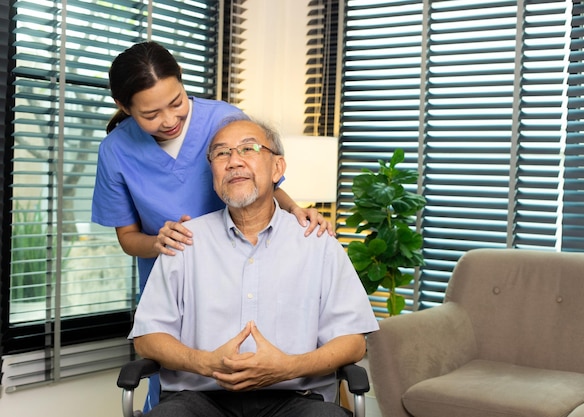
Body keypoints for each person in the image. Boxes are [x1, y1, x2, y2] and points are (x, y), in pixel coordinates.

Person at [91, 41, 334, 411]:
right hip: (180, 272)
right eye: (151, 114)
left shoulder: (222, 119)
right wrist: (158, 242)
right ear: (124, 108)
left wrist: (297, 211)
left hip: (245, 256)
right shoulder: (115, 151)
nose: (170, 120)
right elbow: (128, 239)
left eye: (177, 102)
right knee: (182, 388)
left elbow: (261, 179)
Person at [129, 118, 379, 417]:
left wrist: (289, 366)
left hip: (296, 398)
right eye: (221, 153)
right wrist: (205, 362)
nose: (234, 161)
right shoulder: (183, 242)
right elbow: (148, 338)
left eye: (249, 148)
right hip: (200, 400)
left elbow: (352, 343)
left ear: (277, 168)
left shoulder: (318, 243)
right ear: (212, 172)